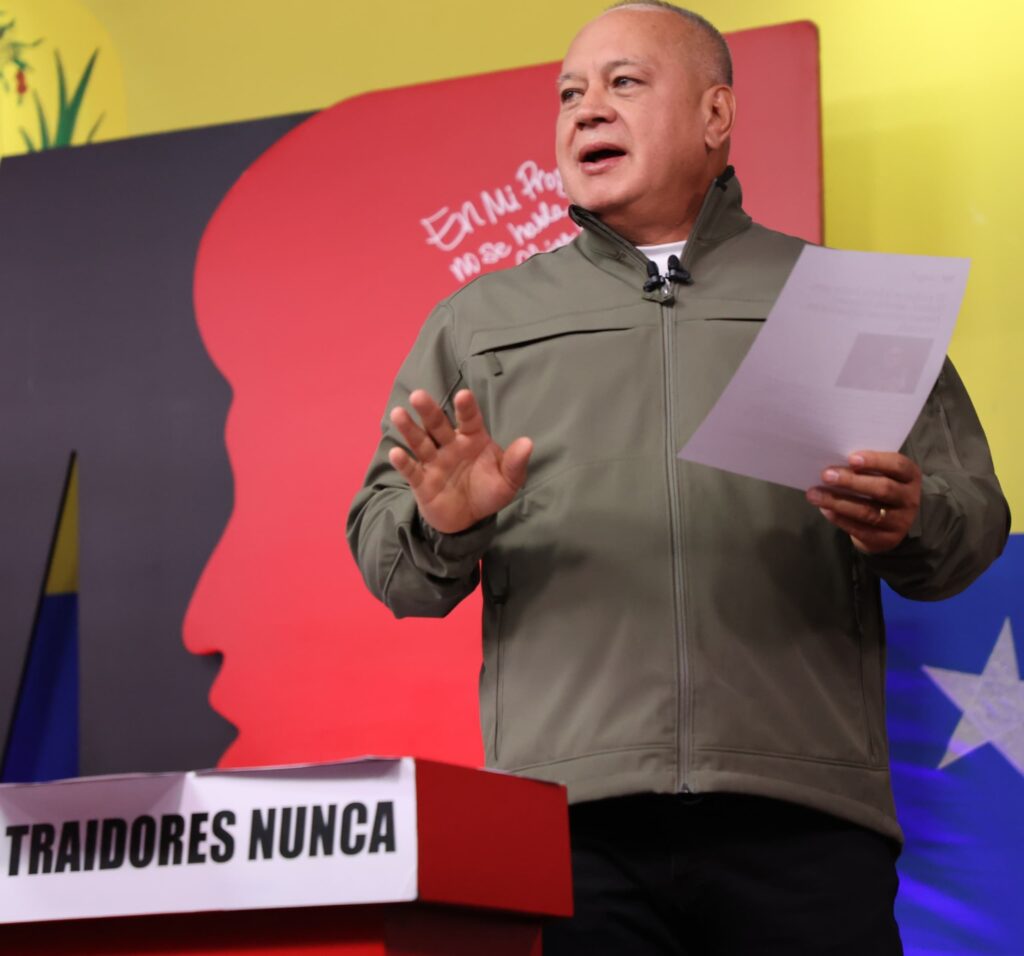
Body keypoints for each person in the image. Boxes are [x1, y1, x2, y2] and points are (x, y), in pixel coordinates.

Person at [347, 3, 1010, 953]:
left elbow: (971, 522)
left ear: (715, 115)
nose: (586, 110)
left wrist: (909, 519)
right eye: (569, 94)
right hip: (569, 819)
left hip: (806, 816)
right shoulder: (481, 321)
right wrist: (444, 524)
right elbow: (387, 558)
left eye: (623, 83)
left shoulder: (841, 297)